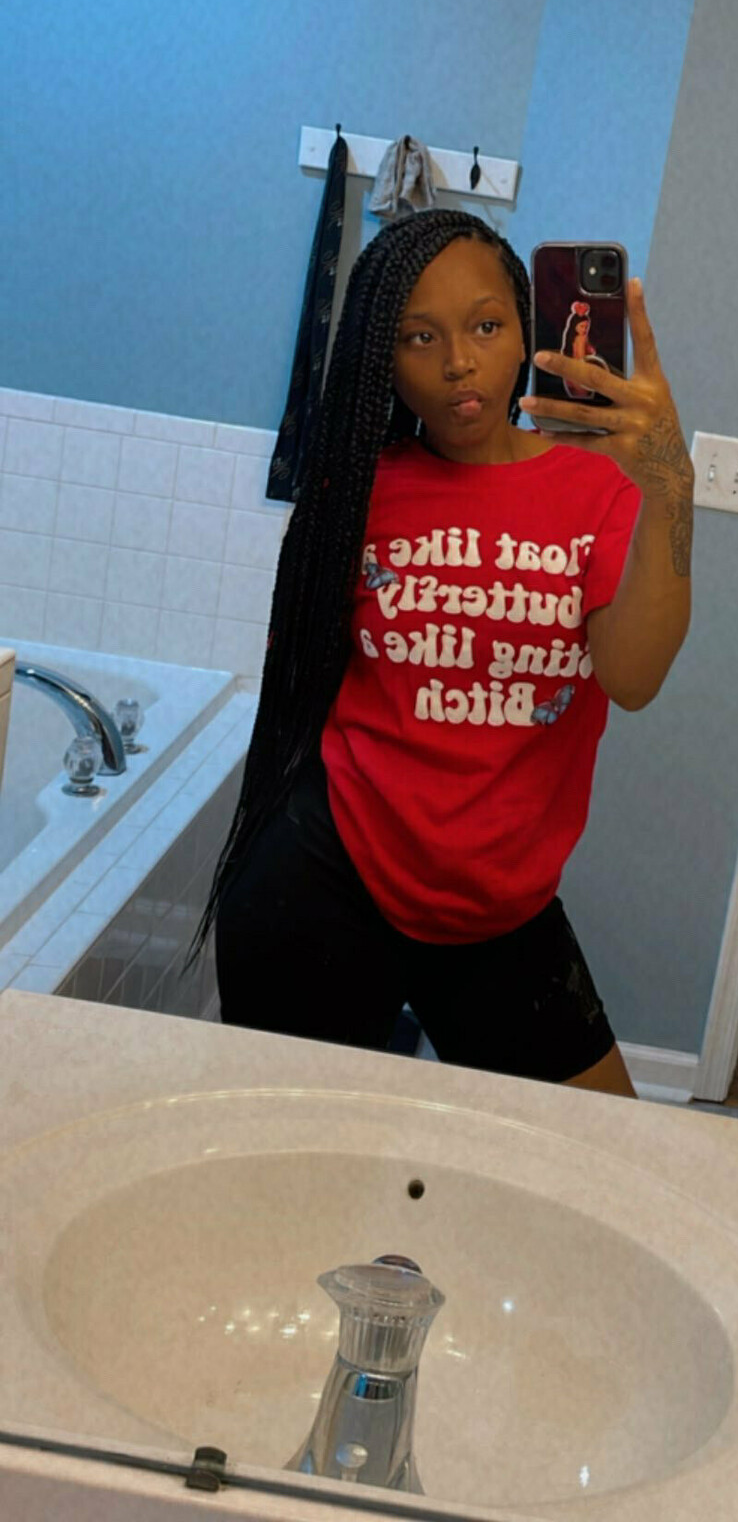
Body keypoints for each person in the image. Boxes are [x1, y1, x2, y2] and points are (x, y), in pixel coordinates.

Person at [185, 208, 693, 1098]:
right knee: (301, 1154)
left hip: (500, 910)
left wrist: (671, 484)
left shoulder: (601, 490)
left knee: (596, 1148)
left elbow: (634, 677)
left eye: (486, 327)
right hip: (325, 880)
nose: (459, 362)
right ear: (383, 357)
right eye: (420, 337)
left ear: (526, 331)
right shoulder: (357, 492)